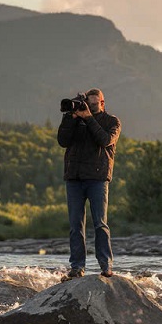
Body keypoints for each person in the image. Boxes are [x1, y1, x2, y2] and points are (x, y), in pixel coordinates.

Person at [57, 88, 121, 278]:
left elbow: (105, 140)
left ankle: (106, 266)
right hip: (74, 178)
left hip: (98, 178)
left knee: (100, 224)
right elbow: (62, 140)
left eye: (94, 104)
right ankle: (77, 267)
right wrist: (72, 117)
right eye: (88, 104)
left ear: (102, 103)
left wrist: (89, 118)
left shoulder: (112, 122)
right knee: (75, 225)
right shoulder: (75, 119)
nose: (90, 107)